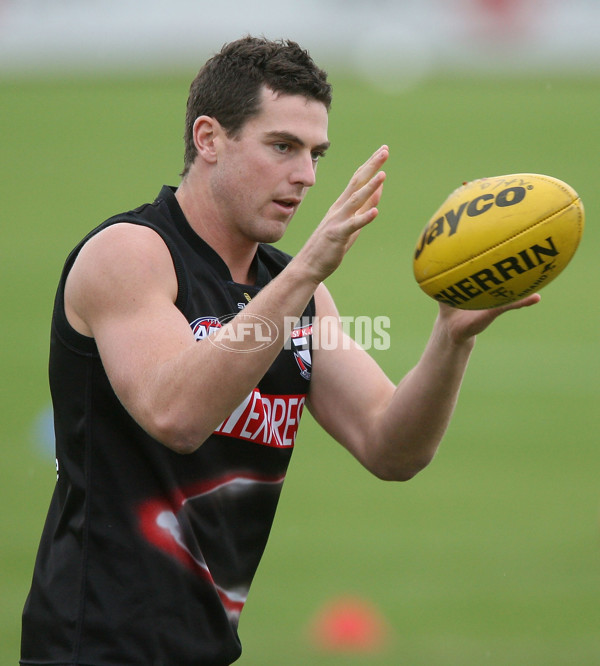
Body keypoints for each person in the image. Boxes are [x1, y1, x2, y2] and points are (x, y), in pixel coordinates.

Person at [20, 36, 539, 666]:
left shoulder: (299, 295)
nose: (307, 175)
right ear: (209, 138)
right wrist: (302, 278)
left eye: (316, 153)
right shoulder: (131, 256)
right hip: (93, 645)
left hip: (206, 646)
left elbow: (390, 446)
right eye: (283, 147)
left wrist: (451, 337)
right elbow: (176, 416)